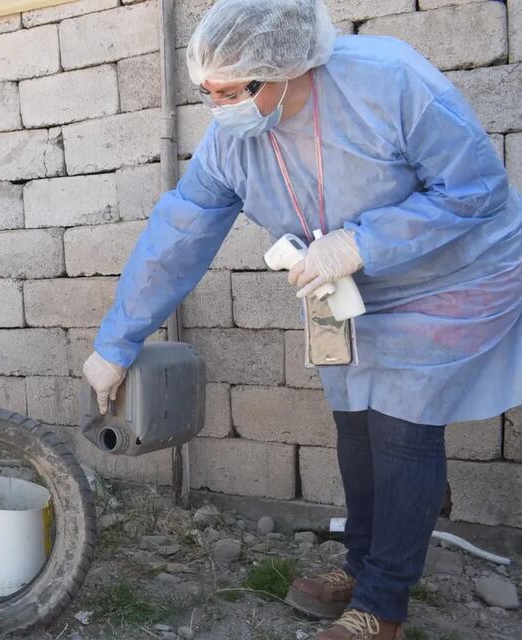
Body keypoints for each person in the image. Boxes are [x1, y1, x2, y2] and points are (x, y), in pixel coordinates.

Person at [83, 1, 521, 638]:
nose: (217, 107)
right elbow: (178, 234)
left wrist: (362, 241)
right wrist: (117, 340)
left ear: (287, 68)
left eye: (232, 91)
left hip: (451, 272)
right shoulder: (232, 140)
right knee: (353, 420)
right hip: (343, 287)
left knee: (402, 422)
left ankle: (381, 606)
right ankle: (362, 562)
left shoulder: (390, 82)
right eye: (206, 92)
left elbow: (476, 189)